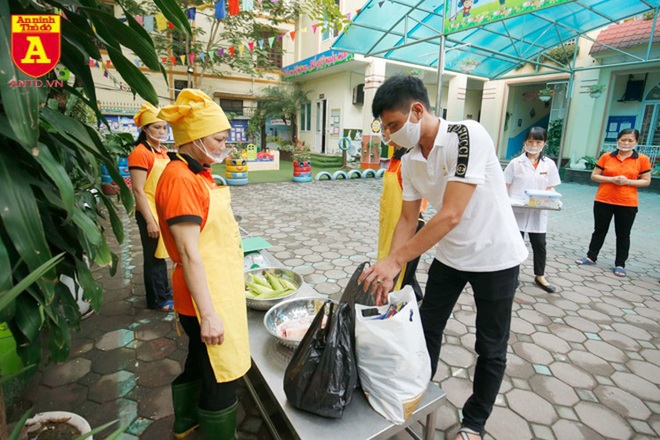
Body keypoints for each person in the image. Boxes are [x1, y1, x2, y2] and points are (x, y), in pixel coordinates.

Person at [360, 75, 528, 440]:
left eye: (392, 125)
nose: (388, 135)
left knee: (490, 345)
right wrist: (392, 269)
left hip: (495, 258)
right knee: (426, 326)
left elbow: (451, 213)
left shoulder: (466, 135)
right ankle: (417, 388)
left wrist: (393, 261)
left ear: (417, 110)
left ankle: (474, 422)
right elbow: (407, 219)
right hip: (451, 257)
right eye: (384, 128)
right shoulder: (410, 162)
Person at [156, 89, 249, 440]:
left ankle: (186, 423)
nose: (225, 145)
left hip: (211, 287)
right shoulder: (180, 179)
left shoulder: (195, 172)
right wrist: (209, 314)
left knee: (199, 361)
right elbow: (189, 252)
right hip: (203, 297)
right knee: (221, 377)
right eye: (219, 139)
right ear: (194, 140)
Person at [575, 128, 652, 277]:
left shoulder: (642, 159)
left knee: (623, 234)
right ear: (618, 140)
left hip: (627, 203)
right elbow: (594, 176)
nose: (626, 143)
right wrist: (611, 179)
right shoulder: (607, 156)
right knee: (599, 230)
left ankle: (620, 264)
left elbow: (646, 181)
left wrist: (627, 181)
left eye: (630, 140)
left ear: (636, 142)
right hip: (604, 199)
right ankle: (591, 257)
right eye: (623, 140)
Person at [504, 127, 561, 293]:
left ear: (544, 144)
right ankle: (512, 275)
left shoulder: (549, 164)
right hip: (517, 211)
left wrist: (552, 198)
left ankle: (540, 275)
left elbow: (551, 187)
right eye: (530, 141)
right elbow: (504, 186)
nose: (534, 145)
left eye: (538, 142)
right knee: (515, 244)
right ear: (524, 143)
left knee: (540, 244)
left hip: (538, 212)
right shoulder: (516, 163)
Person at [128, 103, 172, 311]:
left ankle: (164, 290)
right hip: (148, 211)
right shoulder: (140, 153)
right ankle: (157, 300)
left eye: (164, 127)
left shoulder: (162, 152)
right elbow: (138, 190)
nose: (162, 132)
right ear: (145, 129)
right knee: (153, 257)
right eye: (157, 127)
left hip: (162, 209)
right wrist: (149, 221)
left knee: (161, 254)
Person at [378, 142, 426, 300]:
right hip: (390, 225)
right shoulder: (395, 158)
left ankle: (401, 306)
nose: (385, 132)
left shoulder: (410, 161)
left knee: (401, 275)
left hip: (408, 226)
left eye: (390, 127)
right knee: (403, 274)